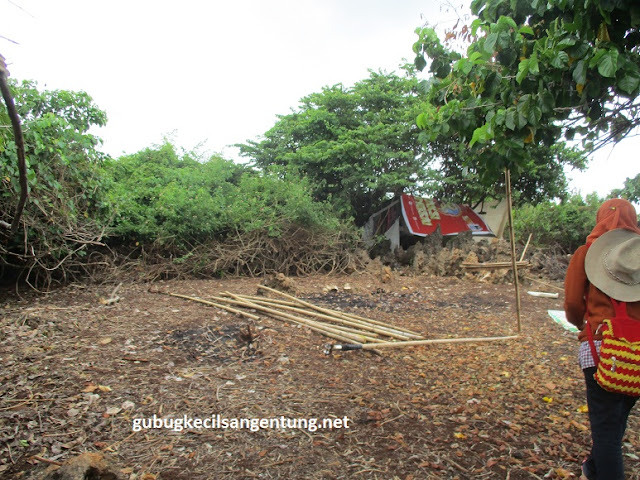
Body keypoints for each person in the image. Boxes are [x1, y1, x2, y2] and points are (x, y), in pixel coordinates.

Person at [564, 198, 640, 479]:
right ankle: (591, 470)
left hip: (601, 348)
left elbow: (572, 304)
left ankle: (600, 470)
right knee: (615, 422)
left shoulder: (586, 253)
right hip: (638, 354)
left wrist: (580, 325)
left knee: (607, 432)